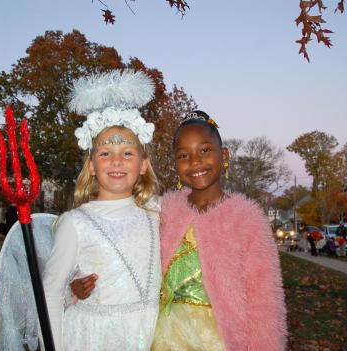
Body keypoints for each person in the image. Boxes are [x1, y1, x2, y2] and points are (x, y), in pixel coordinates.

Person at [72, 110, 287, 350]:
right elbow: (119, 252)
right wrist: (77, 285)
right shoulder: (163, 212)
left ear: (224, 155)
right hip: (161, 335)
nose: (195, 161)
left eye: (205, 150)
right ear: (176, 163)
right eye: (184, 155)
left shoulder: (247, 219)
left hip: (220, 340)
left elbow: (265, 302)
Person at [41, 70, 161, 351]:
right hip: (94, 340)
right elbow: (51, 292)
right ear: (92, 165)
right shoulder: (75, 223)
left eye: (128, 153)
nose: (116, 161)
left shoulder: (157, 213)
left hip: (152, 336)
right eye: (105, 153)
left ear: (143, 163)